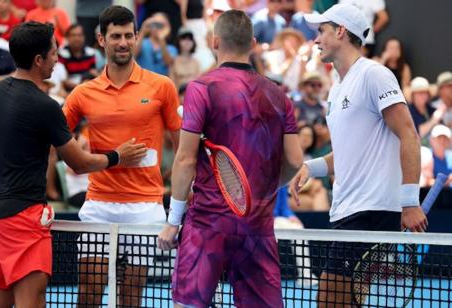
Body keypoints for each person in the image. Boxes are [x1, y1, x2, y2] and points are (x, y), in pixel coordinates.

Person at [0, 22, 147, 308]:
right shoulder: (45, 106)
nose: (58, 58)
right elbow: (79, 163)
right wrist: (117, 156)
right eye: (54, 53)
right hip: (24, 221)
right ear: (39, 60)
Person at [157, 9, 303, 307]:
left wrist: (173, 221)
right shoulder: (279, 96)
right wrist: (258, 191)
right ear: (252, 42)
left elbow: (185, 159)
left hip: (207, 226)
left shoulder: (201, 88)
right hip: (257, 227)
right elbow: (294, 160)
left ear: (214, 42)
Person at [292, 4, 427, 306]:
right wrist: (308, 169)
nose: (316, 40)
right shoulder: (337, 88)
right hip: (347, 212)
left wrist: (409, 201)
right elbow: (346, 153)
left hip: (371, 212)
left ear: (340, 31)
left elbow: (409, 135)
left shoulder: (374, 75)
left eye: (321, 31)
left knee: (328, 302)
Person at [62, 6, 181, 307]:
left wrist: (183, 199)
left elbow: (183, 149)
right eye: (115, 36)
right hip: (98, 203)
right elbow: (53, 134)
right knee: (88, 294)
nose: (123, 42)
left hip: (145, 207)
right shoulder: (83, 93)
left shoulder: (162, 86)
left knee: (130, 297)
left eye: (129, 35)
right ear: (101, 39)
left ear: (137, 37)